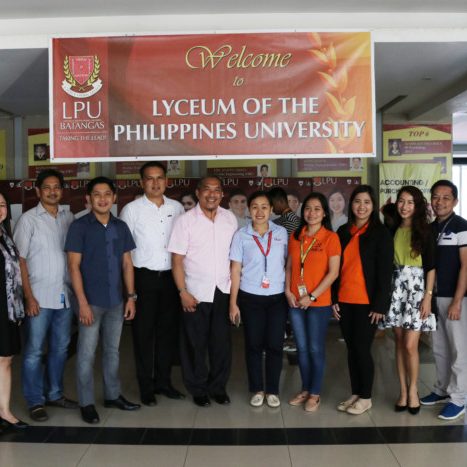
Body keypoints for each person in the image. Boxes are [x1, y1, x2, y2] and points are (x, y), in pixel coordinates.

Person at [65, 177, 140, 424]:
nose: (102, 199)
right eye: (97, 194)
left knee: (112, 351)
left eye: (107, 194)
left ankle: (112, 395)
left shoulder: (121, 226)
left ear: (114, 197)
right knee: (86, 354)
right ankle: (86, 403)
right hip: (90, 302)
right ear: (88, 199)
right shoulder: (79, 227)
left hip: (116, 300)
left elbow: (127, 264)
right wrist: (82, 303)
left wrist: (131, 297)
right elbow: (73, 267)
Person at [14, 169, 77, 422]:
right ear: (38, 191)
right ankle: (35, 400)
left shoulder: (69, 217)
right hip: (38, 298)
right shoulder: (28, 220)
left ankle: (55, 394)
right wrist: (28, 297)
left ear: (62, 191)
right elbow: (20, 260)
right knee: (34, 351)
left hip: (65, 296)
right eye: (47, 187)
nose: (52, 192)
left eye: (57, 187)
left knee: (60, 349)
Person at [168, 176, 237, 407]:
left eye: (217, 190)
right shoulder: (185, 221)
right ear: (198, 193)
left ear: (222, 194)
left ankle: (218, 387)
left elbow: (235, 259)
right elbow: (177, 260)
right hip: (194, 292)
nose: (212, 194)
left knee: (221, 344)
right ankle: (197, 388)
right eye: (207, 189)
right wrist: (182, 292)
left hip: (223, 290)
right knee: (194, 344)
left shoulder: (229, 219)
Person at [120, 161, 185, 406]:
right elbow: (125, 254)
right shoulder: (131, 210)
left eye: (160, 178)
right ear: (142, 182)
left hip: (170, 279)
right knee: (143, 335)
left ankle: (164, 382)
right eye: (150, 178)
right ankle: (146, 387)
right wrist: (130, 293)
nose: (155, 183)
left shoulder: (177, 208)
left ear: (167, 181)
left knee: (168, 333)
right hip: (143, 278)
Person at [332, 185, 393, 415]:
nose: (362, 206)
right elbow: (335, 269)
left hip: (368, 303)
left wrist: (380, 305)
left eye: (367, 202)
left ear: (373, 205)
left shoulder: (381, 233)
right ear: (352, 205)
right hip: (344, 300)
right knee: (351, 348)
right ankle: (356, 392)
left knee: (362, 348)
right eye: (358, 201)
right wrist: (334, 298)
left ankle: (366, 397)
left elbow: (385, 273)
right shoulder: (343, 231)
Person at [229, 191, 288, 408]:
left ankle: (272, 390)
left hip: (277, 297)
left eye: (264, 207)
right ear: (249, 210)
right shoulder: (241, 235)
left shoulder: (281, 232)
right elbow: (235, 270)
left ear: (271, 210)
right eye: (255, 207)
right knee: (253, 345)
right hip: (250, 297)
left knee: (275, 345)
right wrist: (233, 303)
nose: (260, 211)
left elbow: (287, 263)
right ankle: (257, 389)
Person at [381, 186, 436, 415]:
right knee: (398, 342)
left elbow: (431, 267)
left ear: (418, 205)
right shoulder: (391, 228)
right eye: (401, 201)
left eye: (410, 202)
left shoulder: (425, 231)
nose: (405, 206)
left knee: (410, 345)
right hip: (395, 289)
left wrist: (427, 298)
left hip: (417, 290)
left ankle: (413, 390)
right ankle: (402, 391)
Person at [285, 192, 341, 412]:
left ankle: (315, 393)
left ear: (324, 213)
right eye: (308, 208)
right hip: (295, 302)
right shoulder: (295, 236)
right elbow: (289, 266)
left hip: (318, 303)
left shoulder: (330, 238)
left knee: (315, 348)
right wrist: (287, 291)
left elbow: (333, 273)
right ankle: (305, 389)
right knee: (301, 348)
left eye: (317, 209)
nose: (312, 213)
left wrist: (313, 296)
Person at [421, 180, 467, 420]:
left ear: (455, 201)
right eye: (435, 197)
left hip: (455, 298)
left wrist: (457, 301)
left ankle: (459, 398)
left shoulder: (461, 227)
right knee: (439, 348)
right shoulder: (429, 229)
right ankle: (441, 390)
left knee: (459, 349)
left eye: (445, 198)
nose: (439, 202)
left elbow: (466, 267)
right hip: (434, 297)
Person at [0, 192, 27, 430]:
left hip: (6, 309)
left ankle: (5, 411)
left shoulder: (6, 237)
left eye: (2, 205)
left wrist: (18, 308)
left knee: (6, 359)